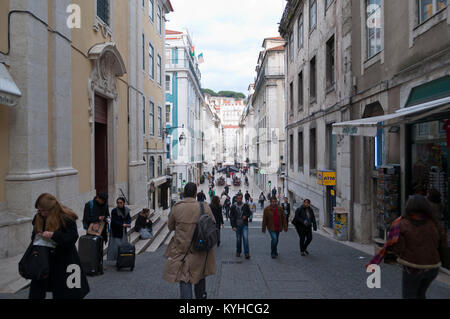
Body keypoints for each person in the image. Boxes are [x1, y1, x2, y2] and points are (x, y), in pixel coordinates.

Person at [368, 195, 448, 299]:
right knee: (420, 294)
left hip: (413, 267)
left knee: (409, 295)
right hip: (433, 267)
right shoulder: (434, 223)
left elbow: (398, 248)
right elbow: (443, 244)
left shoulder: (402, 224)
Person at [29, 193, 90, 299]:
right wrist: (38, 236)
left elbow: (72, 238)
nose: (41, 213)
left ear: (51, 209)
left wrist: (54, 235)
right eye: (39, 210)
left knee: (67, 293)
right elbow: (33, 236)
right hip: (44, 260)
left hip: (65, 260)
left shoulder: (66, 217)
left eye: (43, 211)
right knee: (37, 292)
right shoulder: (39, 217)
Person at [163, 183, 216, 299]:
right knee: (200, 276)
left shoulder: (177, 207)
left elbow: (170, 227)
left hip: (182, 249)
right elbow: (213, 225)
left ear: (184, 193)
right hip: (200, 249)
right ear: (195, 193)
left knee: (184, 278)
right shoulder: (204, 207)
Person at [107, 197, 131, 262]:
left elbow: (129, 218)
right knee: (116, 246)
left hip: (123, 231)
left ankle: (123, 259)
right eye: (118, 203)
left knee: (123, 245)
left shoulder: (126, 210)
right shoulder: (114, 211)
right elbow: (114, 221)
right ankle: (118, 259)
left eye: (120, 203)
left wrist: (128, 223)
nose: (119, 204)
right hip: (116, 231)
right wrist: (122, 224)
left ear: (123, 203)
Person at [230, 193, 252, 259]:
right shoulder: (233, 207)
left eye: (240, 198)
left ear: (242, 199)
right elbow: (231, 217)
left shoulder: (245, 205)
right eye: (238, 198)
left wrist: (246, 216)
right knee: (238, 239)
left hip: (244, 225)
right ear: (236, 199)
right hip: (237, 225)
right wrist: (233, 226)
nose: (239, 200)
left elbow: (249, 213)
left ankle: (246, 253)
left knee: (245, 238)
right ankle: (238, 251)